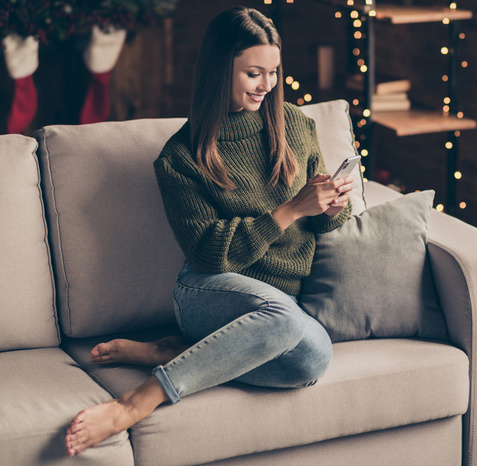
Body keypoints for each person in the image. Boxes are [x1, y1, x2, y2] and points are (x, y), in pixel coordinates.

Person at [64, 6, 353, 457]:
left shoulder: (296, 125)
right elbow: (207, 252)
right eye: (254, 73)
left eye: (274, 72)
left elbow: (324, 221)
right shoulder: (181, 158)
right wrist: (289, 210)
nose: (267, 85)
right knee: (285, 322)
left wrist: (331, 202)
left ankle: (176, 352)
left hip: (279, 308)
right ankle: (137, 401)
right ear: (222, 70)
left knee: (313, 357)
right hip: (207, 292)